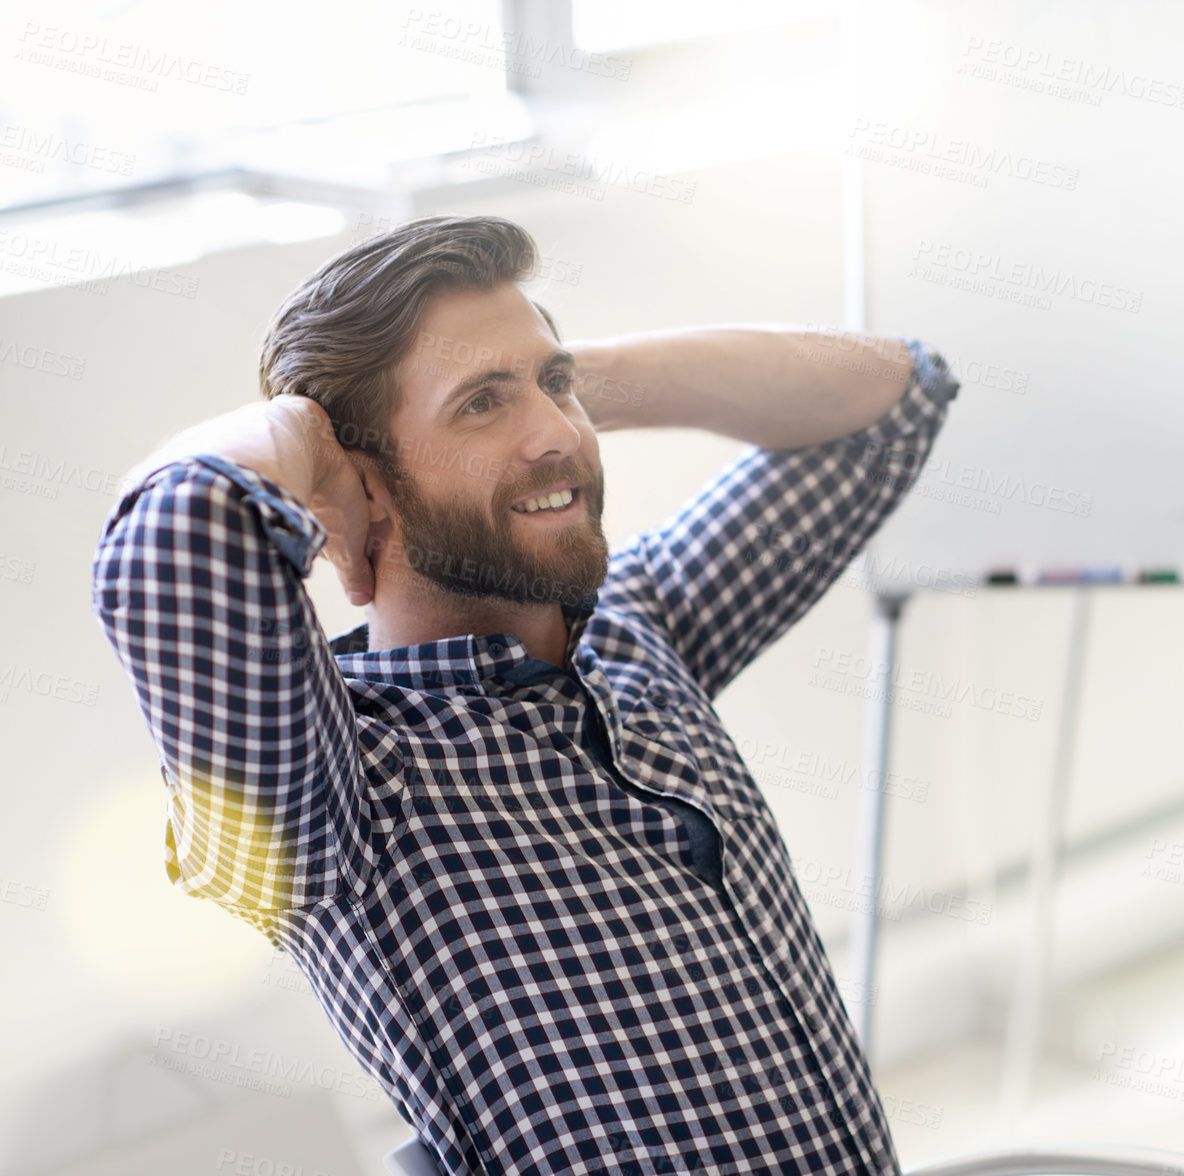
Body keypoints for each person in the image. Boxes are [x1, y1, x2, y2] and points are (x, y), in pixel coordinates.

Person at [90, 214, 959, 1176]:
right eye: (480, 405)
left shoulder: (634, 627)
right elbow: (168, 543)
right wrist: (305, 432)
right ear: (362, 482)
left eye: (554, 388)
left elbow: (895, 397)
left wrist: (576, 380)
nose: (558, 434)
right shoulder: (341, 785)